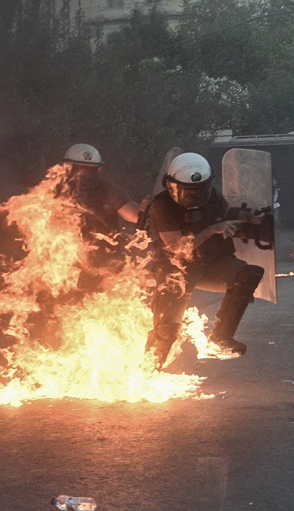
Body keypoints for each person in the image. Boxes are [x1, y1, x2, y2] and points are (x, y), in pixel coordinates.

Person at [142, 152, 265, 368]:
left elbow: (224, 215)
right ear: (171, 186)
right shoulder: (161, 206)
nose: (195, 196)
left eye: (200, 190)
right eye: (188, 192)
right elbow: (179, 248)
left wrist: (245, 216)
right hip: (176, 272)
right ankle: (148, 371)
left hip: (209, 266)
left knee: (247, 274)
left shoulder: (214, 197)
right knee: (167, 329)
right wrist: (212, 230)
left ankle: (220, 339)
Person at [57, 144, 140, 290]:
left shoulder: (108, 191)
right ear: (67, 167)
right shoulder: (53, 191)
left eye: (89, 171)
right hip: (66, 265)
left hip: (106, 263)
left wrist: (155, 210)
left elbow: (134, 215)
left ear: (98, 170)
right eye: (79, 170)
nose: (83, 175)